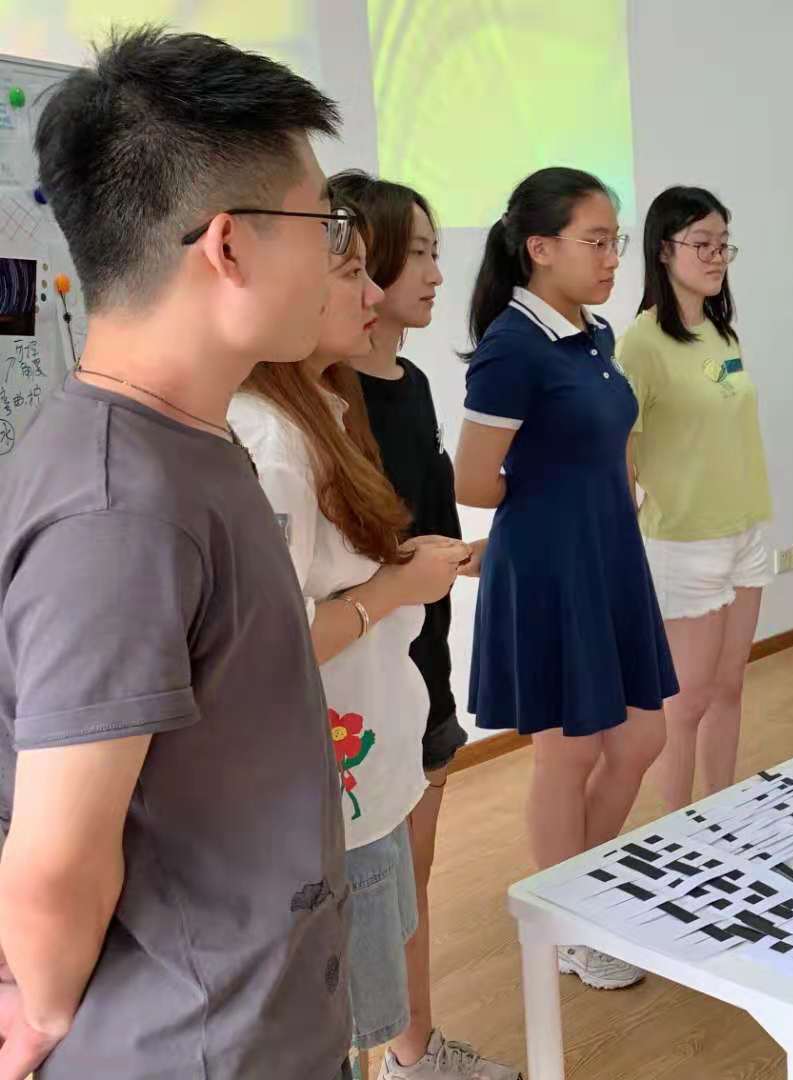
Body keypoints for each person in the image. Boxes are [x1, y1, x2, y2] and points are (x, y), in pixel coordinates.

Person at [0, 28, 353, 1080]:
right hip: (194, 1048)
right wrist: (44, 1014)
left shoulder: (182, 439)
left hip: (252, 1016)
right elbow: (55, 860)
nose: (339, 256)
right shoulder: (120, 510)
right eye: (324, 222)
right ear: (229, 247)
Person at [228, 212, 478, 1078]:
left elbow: (324, 579)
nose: (373, 294)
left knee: (365, 993)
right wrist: (394, 589)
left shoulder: (322, 410)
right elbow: (277, 639)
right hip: (337, 775)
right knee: (337, 1018)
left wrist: (401, 568)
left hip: (368, 761)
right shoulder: (273, 438)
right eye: (352, 273)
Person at [455, 168, 677, 992]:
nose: (613, 256)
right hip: (551, 566)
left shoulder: (595, 333)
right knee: (568, 750)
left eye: (616, 240)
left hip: (609, 556)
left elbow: (603, 445)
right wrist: (555, 506)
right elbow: (473, 481)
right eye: (597, 241)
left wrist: (608, 495)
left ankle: (583, 887)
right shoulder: (511, 349)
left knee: (641, 738)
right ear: (540, 248)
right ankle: (569, 926)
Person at [325, 172, 518, 1080]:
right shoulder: (324, 406)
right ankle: (401, 1052)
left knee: (411, 881)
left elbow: (424, 530)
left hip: (421, 663)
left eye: (439, 252)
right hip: (357, 680)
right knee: (369, 894)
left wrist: (481, 552)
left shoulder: (411, 383)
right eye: (423, 254)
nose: (439, 272)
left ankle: (413, 1050)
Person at [619, 186, 770, 810]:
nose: (716, 257)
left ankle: (722, 814)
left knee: (730, 687)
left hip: (747, 528)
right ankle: (676, 832)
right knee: (686, 704)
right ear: (664, 250)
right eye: (702, 244)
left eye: (723, 244)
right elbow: (622, 451)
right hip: (684, 540)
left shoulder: (720, 331)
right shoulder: (640, 343)